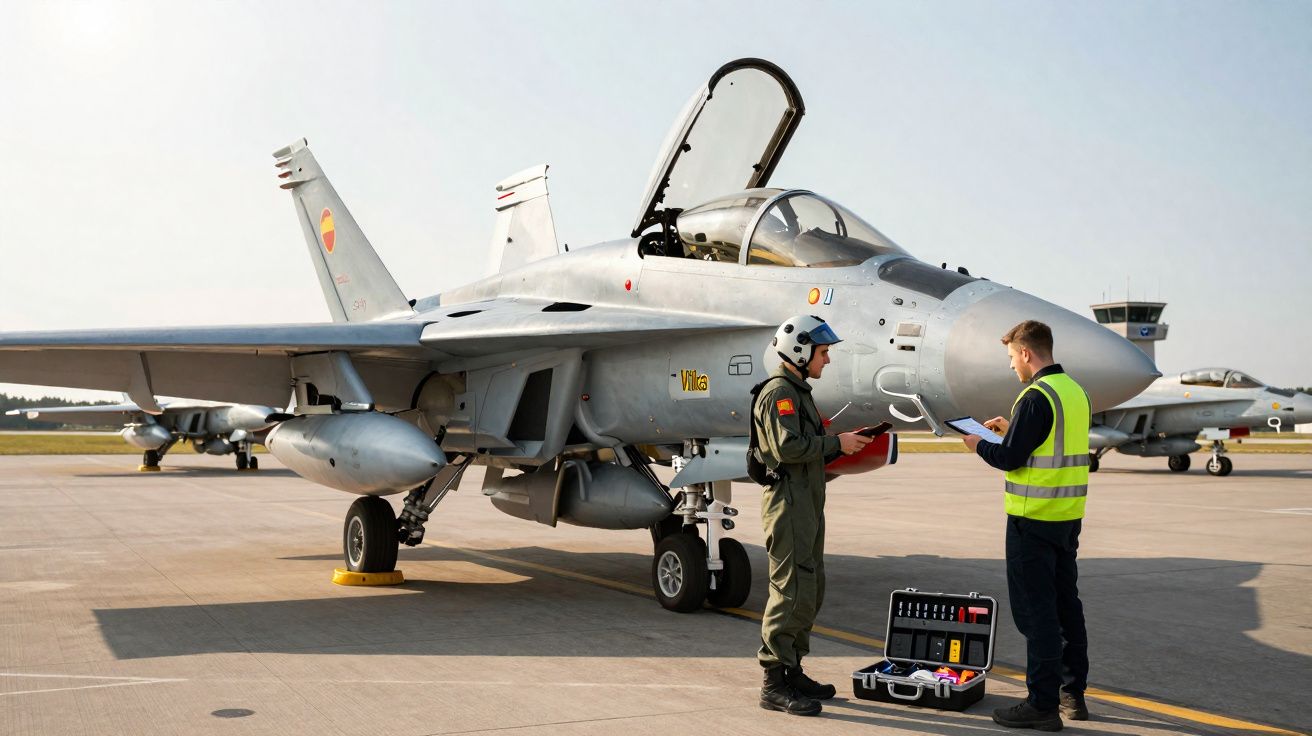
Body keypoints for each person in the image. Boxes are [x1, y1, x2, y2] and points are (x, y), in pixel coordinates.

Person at [962, 320, 1091, 731]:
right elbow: (1044, 444)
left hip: (1031, 522)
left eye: (1011, 358)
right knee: (1067, 608)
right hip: (1066, 518)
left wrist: (978, 442)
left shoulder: (1035, 396)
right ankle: (1073, 696)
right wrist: (1008, 431)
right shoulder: (1074, 392)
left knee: (1037, 617)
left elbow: (1010, 459)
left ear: (1026, 354)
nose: (1012, 367)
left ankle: (1041, 704)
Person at [752, 315, 872, 716]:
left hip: (806, 504)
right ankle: (773, 682)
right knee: (789, 591)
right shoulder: (779, 394)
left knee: (810, 586)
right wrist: (835, 441)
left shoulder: (799, 392)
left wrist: (841, 444)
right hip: (788, 506)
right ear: (800, 352)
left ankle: (793, 668)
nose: (827, 361)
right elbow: (787, 447)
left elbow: (806, 444)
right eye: (823, 353)